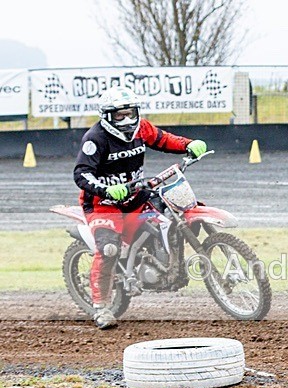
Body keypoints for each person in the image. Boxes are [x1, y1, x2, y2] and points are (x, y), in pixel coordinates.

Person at [74, 86, 208, 330]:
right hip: (102, 205)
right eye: (119, 115)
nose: (126, 120)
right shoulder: (95, 139)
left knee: (170, 219)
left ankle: (164, 267)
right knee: (110, 249)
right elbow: (81, 174)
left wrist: (189, 144)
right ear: (106, 116)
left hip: (136, 196)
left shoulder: (142, 128)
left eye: (130, 113)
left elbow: (164, 139)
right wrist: (106, 190)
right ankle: (102, 307)